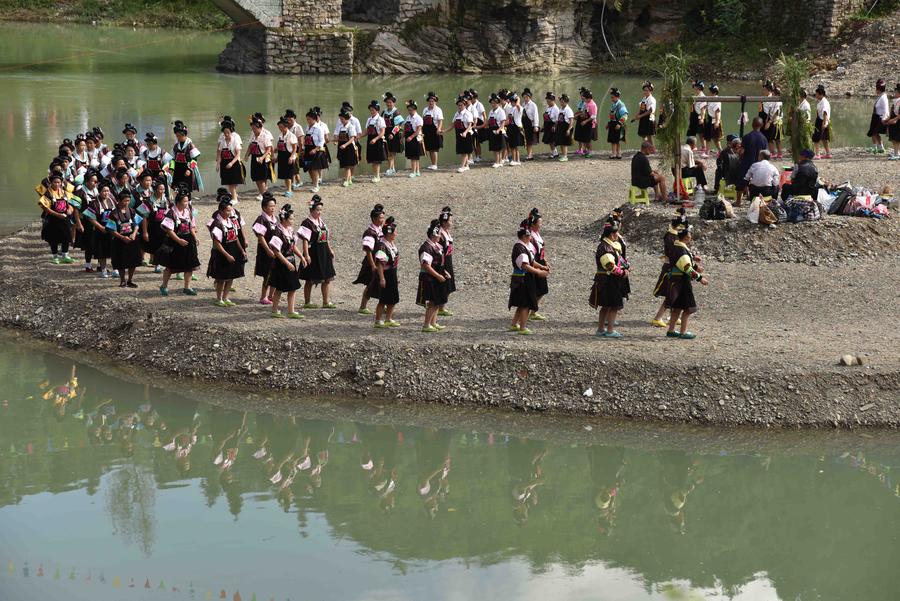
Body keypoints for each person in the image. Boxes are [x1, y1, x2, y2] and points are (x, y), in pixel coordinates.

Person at [665, 226, 708, 340]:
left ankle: (671, 330)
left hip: (676, 281)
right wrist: (700, 278)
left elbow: (682, 262)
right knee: (688, 308)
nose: (690, 239)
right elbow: (686, 268)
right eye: (689, 237)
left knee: (677, 307)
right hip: (683, 282)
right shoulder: (682, 250)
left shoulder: (675, 247)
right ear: (685, 238)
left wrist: (695, 266)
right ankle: (683, 332)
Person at [589, 221, 630, 338]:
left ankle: (601, 329)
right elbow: (610, 266)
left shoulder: (610, 246)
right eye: (616, 233)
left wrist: (626, 266)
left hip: (609, 280)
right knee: (613, 305)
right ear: (612, 234)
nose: (617, 235)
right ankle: (610, 330)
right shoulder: (605, 247)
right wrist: (622, 272)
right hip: (609, 281)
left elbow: (619, 260)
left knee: (606, 306)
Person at [157, 189, 200, 296]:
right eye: (185, 201)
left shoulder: (188, 212)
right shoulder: (171, 213)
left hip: (188, 241)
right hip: (174, 242)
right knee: (170, 266)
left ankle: (187, 287)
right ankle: (164, 285)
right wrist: (179, 240)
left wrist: (195, 237)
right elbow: (169, 230)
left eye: (187, 201)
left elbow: (192, 226)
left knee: (189, 265)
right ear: (178, 202)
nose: (187, 203)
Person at [267, 204, 306, 320]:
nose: (293, 221)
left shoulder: (290, 231)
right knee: (279, 288)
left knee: (292, 287)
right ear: (284, 219)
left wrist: (301, 257)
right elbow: (276, 251)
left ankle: (290, 310)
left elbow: (293, 246)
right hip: (281, 263)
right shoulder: (278, 232)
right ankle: (275, 310)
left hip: (290, 261)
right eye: (291, 218)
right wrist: (287, 263)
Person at [297, 195, 336, 309]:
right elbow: (305, 240)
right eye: (317, 210)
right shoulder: (307, 223)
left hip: (323, 252)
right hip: (313, 252)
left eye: (320, 210)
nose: (319, 212)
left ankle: (326, 301)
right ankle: (307, 302)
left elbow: (325, 237)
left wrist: (330, 249)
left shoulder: (321, 222)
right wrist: (306, 254)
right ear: (312, 210)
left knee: (327, 277)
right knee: (310, 278)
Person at [207, 197, 247, 307]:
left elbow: (236, 237)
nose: (230, 213)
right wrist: (227, 255)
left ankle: (226, 297)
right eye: (228, 211)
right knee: (221, 278)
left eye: (231, 210)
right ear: (221, 210)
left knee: (231, 276)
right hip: (222, 254)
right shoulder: (217, 224)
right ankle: (219, 298)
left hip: (233, 251)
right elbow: (217, 243)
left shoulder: (231, 221)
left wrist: (241, 250)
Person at [508, 227, 548, 335]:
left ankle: (514, 324)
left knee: (522, 303)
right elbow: (525, 265)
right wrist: (538, 272)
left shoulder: (524, 246)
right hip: (522, 279)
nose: (531, 238)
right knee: (525, 303)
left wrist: (541, 267)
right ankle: (522, 327)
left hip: (524, 278)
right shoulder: (519, 248)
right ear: (524, 236)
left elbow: (532, 261)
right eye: (529, 236)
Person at [651, 213, 687, 328]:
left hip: (675, 267)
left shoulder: (673, 236)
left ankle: (673, 316)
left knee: (676, 294)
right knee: (670, 294)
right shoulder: (672, 237)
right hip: (671, 268)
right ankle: (658, 317)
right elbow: (675, 254)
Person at [416, 220, 451, 333]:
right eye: (439, 234)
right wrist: (437, 275)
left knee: (437, 301)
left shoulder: (436, 246)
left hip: (436, 277)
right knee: (432, 302)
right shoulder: (426, 247)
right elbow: (426, 265)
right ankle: (426, 325)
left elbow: (439, 262)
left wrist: (444, 271)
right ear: (434, 234)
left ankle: (433, 322)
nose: (441, 236)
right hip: (430, 278)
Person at [353, 204, 385, 315]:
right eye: (380, 218)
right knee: (370, 284)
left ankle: (383, 304)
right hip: (373, 262)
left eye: (382, 217)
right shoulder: (370, 232)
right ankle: (363, 306)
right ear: (374, 219)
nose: (382, 220)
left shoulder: (380, 229)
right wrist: (373, 265)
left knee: (383, 283)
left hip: (381, 261)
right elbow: (368, 250)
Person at [108, 189, 143, 288]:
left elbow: (136, 224)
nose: (126, 203)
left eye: (128, 201)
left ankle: (130, 280)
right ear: (119, 201)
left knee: (133, 261)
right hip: (119, 240)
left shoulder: (132, 211)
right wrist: (122, 237)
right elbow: (111, 229)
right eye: (124, 201)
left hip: (132, 239)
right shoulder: (113, 213)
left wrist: (134, 234)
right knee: (121, 261)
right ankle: (122, 280)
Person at [38, 173, 75, 264]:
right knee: (53, 238)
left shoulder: (65, 192)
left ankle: (65, 255)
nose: (57, 184)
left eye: (59, 182)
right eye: (55, 182)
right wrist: (58, 215)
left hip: (65, 218)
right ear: (51, 183)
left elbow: (71, 204)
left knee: (66, 236)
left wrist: (70, 209)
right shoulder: (48, 193)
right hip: (52, 219)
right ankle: (55, 256)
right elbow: (46, 209)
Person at [369, 220, 400, 329]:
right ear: (389, 233)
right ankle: (378, 320)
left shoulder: (390, 243)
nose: (396, 234)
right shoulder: (382, 246)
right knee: (383, 299)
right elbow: (380, 264)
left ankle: (388, 318)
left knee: (393, 297)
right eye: (395, 232)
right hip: (385, 274)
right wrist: (382, 278)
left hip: (392, 273)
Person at [83, 181, 116, 277]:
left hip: (112, 229)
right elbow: (90, 218)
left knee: (114, 250)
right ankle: (103, 270)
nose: (106, 193)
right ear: (100, 192)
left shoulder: (112, 200)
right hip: (99, 230)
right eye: (104, 191)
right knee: (102, 251)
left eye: (108, 191)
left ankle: (115, 269)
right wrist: (101, 227)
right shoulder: (94, 203)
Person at [136, 177, 169, 273]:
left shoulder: (166, 200)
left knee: (162, 245)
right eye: (160, 189)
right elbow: (144, 217)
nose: (162, 191)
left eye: (163, 189)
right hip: (152, 227)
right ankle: (154, 264)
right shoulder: (148, 201)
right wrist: (145, 232)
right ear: (155, 190)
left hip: (162, 227)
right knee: (153, 246)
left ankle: (159, 263)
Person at [251, 193, 279, 305]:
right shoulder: (261, 219)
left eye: (274, 206)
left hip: (276, 250)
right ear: (264, 207)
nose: (272, 208)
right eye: (270, 206)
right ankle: (263, 296)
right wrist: (267, 249)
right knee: (267, 273)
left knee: (276, 273)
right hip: (265, 251)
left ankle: (271, 295)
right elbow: (260, 236)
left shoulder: (275, 219)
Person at [523, 208, 550, 321]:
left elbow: (542, 249)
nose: (541, 224)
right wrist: (539, 266)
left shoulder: (537, 234)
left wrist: (546, 261)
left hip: (541, 261)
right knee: (535, 289)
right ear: (533, 224)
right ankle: (527, 312)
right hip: (535, 263)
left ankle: (533, 311)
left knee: (543, 289)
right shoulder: (530, 236)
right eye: (539, 222)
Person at [737, 118, 769, 205]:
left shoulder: (747, 137)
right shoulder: (764, 138)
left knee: (742, 180)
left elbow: (742, 152)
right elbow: (766, 153)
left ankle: (738, 201)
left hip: (747, 162)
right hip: (759, 164)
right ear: (761, 125)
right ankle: (751, 196)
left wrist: (739, 157)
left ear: (752, 124)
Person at [73, 170, 99, 271]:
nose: (95, 183)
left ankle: (100, 265)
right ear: (87, 181)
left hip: (97, 220)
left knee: (98, 242)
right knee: (89, 243)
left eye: (96, 181)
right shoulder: (80, 192)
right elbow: (75, 208)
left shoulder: (97, 190)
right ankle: (88, 265)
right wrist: (78, 223)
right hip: (86, 221)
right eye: (93, 181)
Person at [246, 113, 274, 199]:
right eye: (252, 128)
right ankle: (262, 192)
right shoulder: (253, 134)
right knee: (256, 176)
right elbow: (250, 145)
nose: (253, 130)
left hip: (264, 157)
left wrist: (271, 157)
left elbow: (270, 147)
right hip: (255, 157)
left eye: (254, 128)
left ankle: (263, 194)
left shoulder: (266, 134)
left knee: (262, 177)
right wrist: (247, 155)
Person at [437, 206, 456, 317]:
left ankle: (442, 306)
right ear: (444, 222)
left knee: (449, 284)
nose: (451, 223)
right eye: (450, 221)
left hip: (449, 259)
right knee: (444, 283)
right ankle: (439, 306)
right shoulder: (440, 234)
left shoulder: (446, 232)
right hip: (443, 260)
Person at [446, 96, 475, 172]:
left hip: (466, 133)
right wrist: (444, 131)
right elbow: (453, 124)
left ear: (465, 105)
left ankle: (462, 167)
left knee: (464, 151)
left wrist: (465, 132)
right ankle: (466, 165)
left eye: (461, 105)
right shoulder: (456, 113)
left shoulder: (468, 113)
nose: (460, 106)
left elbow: (470, 125)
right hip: (458, 133)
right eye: (458, 105)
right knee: (461, 150)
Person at [302, 109, 328, 193]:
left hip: (316, 150)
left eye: (309, 119)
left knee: (314, 169)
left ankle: (316, 185)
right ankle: (314, 183)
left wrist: (315, 149)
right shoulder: (307, 127)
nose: (308, 121)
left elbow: (322, 141)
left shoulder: (319, 128)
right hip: (308, 150)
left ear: (314, 119)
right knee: (309, 168)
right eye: (307, 119)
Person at [171, 120, 201, 191]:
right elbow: (173, 159)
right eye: (177, 136)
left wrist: (189, 169)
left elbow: (195, 159)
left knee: (187, 187)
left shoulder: (190, 145)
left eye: (179, 136)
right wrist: (171, 168)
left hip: (187, 169)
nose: (178, 138)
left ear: (184, 135)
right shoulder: (176, 146)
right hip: (177, 169)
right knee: (177, 188)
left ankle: (188, 201)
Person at [334, 110, 360, 187]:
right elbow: (339, 137)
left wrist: (345, 145)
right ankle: (349, 180)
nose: (341, 120)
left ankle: (347, 180)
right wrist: (334, 140)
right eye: (340, 119)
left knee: (347, 166)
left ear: (347, 119)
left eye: (342, 119)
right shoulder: (341, 127)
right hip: (341, 147)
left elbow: (352, 138)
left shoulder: (351, 127)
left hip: (349, 147)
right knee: (344, 164)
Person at [381, 93, 405, 175]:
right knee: (388, 152)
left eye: (390, 102)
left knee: (392, 152)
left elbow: (398, 125)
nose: (388, 104)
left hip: (393, 134)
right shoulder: (384, 112)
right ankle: (392, 168)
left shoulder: (396, 112)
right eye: (387, 102)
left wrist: (392, 133)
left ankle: (390, 169)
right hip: (385, 133)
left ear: (393, 103)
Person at [275, 116, 299, 197]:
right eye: (279, 127)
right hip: (281, 155)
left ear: (286, 126)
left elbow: (295, 148)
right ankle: (287, 188)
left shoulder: (291, 135)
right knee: (284, 174)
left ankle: (289, 190)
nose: (280, 129)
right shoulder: (280, 135)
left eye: (281, 127)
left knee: (288, 174)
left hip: (288, 156)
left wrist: (291, 157)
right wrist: (275, 152)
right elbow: (279, 145)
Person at [364, 100, 387, 182]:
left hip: (378, 141)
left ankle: (377, 176)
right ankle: (374, 175)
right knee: (372, 159)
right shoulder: (369, 119)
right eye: (370, 110)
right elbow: (367, 131)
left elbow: (382, 132)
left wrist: (375, 139)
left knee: (377, 160)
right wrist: (359, 136)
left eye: (373, 110)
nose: (371, 111)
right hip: (370, 140)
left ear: (377, 110)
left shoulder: (380, 119)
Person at [284, 109, 305, 190]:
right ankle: (298, 181)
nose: (289, 120)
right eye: (287, 118)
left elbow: (301, 140)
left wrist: (299, 153)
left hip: (296, 149)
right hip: (287, 149)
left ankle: (293, 183)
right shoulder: (286, 126)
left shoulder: (297, 127)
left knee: (294, 167)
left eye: (290, 118)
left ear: (294, 118)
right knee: (293, 167)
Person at [422, 92, 444, 170]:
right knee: (429, 148)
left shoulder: (438, 110)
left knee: (434, 148)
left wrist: (439, 129)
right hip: (426, 130)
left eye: (432, 101)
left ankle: (435, 164)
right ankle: (432, 164)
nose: (431, 102)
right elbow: (423, 120)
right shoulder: (425, 109)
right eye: (430, 101)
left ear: (435, 102)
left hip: (434, 130)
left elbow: (440, 121)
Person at [868, 78, 889, 155]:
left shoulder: (883, 97)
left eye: (876, 89)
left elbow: (886, 109)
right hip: (876, 117)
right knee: (875, 133)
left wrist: (884, 119)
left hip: (880, 117)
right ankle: (881, 148)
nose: (875, 90)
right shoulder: (880, 96)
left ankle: (875, 148)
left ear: (878, 89)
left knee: (874, 133)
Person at [633, 81, 657, 150]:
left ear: (650, 91)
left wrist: (640, 116)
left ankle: (652, 149)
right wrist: (637, 115)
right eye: (644, 90)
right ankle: (645, 149)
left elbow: (650, 110)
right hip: (643, 118)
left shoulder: (652, 99)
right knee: (643, 135)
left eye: (647, 90)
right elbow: (641, 108)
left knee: (649, 135)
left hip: (649, 118)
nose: (645, 92)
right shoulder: (644, 99)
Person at [403, 100, 424, 178]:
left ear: (415, 109)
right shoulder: (408, 117)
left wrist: (411, 137)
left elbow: (418, 130)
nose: (409, 111)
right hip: (408, 137)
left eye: (411, 110)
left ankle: (413, 171)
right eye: (408, 110)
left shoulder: (418, 118)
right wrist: (402, 137)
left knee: (414, 156)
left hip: (415, 138)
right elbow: (405, 127)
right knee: (413, 155)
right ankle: (417, 170)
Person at [605, 88, 627, 159]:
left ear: (617, 97)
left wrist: (620, 123)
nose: (612, 99)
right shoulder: (614, 104)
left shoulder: (620, 104)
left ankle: (618, 153)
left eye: (613, 97)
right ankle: (613, 153)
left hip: (618, 123)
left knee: (617, 140)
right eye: (611, 97)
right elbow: (612, 115)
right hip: (613, 123)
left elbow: (625, 114)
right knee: (613, 140)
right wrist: (608, 124)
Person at [487, 94, 507, 168]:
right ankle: (496, 161)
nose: (493, 104)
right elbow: (488, 121)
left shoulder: (501, 111)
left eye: (495, 103)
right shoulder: (491, 111)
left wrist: (498, 130)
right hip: (491, 130)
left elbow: (503, 122)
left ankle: (498, 162)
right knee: (493, 147)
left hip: (498, 130)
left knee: (498, 147)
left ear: (498, 103)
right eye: (492, 103)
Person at [812, 85, 832, 159]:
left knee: (816, 138)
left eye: (816, 94)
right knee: (824, 138)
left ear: (820, 94)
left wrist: (824, 123)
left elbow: (825, 113)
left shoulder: (824, 102)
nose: (816, 95)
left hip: (822, 121)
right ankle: (828, 153)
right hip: (820, 120)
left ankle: (817, 154)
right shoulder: (821, 101)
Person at [703, 84, 723, 156]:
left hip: (714, 120)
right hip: (710, 119)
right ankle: (707, 152)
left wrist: (717, 122)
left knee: (716, 139)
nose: (709, 93)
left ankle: (721, 151)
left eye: (710, 91)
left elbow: (717, 112)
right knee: (708, 137)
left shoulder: (716, 100)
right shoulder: (711, 98)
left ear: (714, 92)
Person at [521, 88, 540, 160]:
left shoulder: (533, 105)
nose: (525, 98)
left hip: (530, 124)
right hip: (524, 124)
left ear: (530, 97)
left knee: (529, 141)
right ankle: (529, 154)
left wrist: (536, 126)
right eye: (524, 97)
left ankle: (530, 155)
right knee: (526, 140)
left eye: (527, 97)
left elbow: (536, 115)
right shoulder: (523, 104)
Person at [505, 93, 523, 165]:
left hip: (516, 128)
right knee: (512, 145)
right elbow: (508, 119)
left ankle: (516, 160)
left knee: (515, 145)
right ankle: (515, 159)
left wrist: (517, 98)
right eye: (511, 101)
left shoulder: (519, 108)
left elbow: (518, 105)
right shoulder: (510, 108)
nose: (512, 103)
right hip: (510, 127)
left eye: (513, 101)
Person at [555, 94, 575, 161]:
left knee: (564, 143)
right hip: (560, 127)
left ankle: (565, 156)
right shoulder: (561, 108)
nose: (561, 103)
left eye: (562, 102)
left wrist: (569, 129)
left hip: (566, 127)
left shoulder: (568, 110)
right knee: (561, 142)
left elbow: (571, 120)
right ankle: (563, 155)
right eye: (560, 102)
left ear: (566, 102)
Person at [542, 93, 559, 158]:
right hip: (547, 125)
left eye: (549, 101)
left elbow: (558, 119)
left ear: (553, 100)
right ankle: (553, 152)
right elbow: (545, 118)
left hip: (552, 125)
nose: (548, 102)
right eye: (547, 101)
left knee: (552, 140)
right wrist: (543, 126)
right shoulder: (548, 108)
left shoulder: (556, 108)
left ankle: (555, 153)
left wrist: (554, 126)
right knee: (549, 140)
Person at [889, 83, 900, 160]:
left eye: (896, 93)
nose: (894, 94)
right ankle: (896, 152)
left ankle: (897, 154)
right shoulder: (896, 101)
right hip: (894, 121)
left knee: (897, 139)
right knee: (893, 138)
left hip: (898, 122)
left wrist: (893, 120)